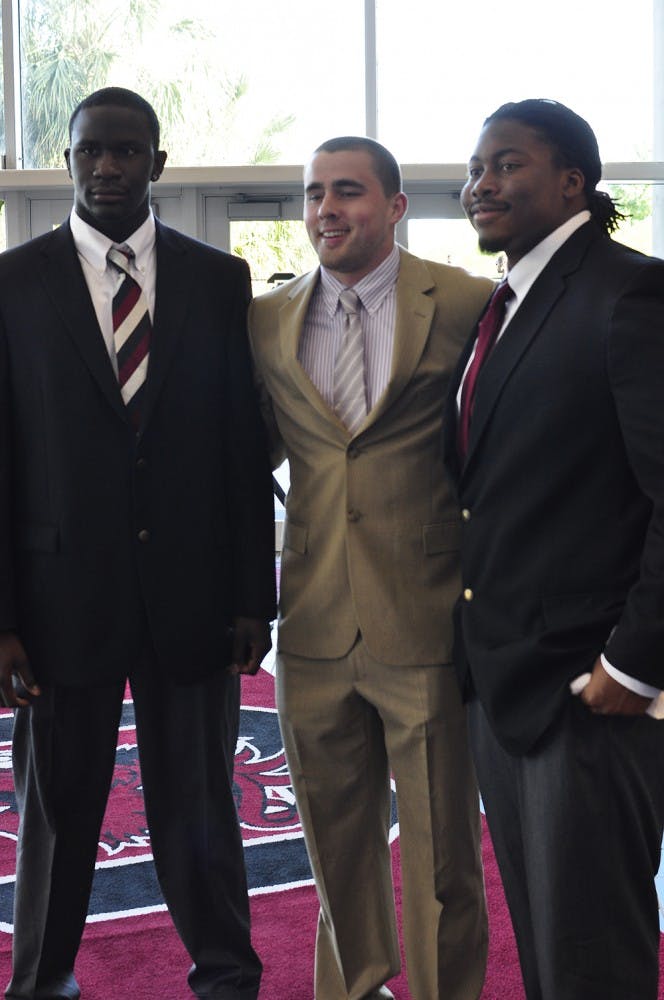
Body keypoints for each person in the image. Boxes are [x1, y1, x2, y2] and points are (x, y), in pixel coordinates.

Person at [0, 87, 276, 1000]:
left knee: (201, 807)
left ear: (158, 162)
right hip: (56, 603)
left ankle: (228, 974)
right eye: (90, 151)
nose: (108, 167)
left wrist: (251, 597)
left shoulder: (215, 279)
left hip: (192, 598)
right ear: (68, 161)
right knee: (58, 812)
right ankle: (42, 981)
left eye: (127, 151)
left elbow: (240, 448)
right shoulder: (11, 283)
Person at [249, 135, 493, 1000]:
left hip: (423, 617)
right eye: (315, 193)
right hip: (310, 623)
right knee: (335, 851)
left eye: (347, 191)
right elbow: (249, 457)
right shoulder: (268, 317)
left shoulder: (467, 301)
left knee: (441, 860)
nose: (326, 209)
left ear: (393, 207)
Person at [442, 98, 664, 1000]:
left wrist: (636, 663)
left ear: (573, 181)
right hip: (503, 680)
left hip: (590, 686)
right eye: (475, 168)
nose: (480, 184)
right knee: (544, 945)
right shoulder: (502, 304)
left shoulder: (630, 294)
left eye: (506, 165)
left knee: (591, 956)